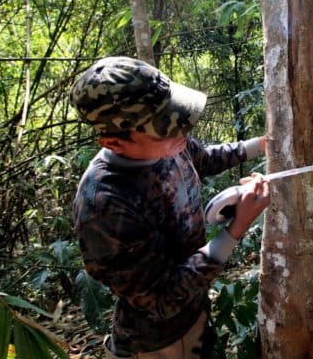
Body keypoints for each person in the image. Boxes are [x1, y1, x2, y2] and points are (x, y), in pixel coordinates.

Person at [70, 56, 270, 358]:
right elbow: (161, 298)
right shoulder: (104, 206)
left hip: (194, 316)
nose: (182, 133)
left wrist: (262, 144)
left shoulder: (167, 144)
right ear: (114, 142)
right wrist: (236, 229)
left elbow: (202, 157)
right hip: (155, 345)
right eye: (166, 127)